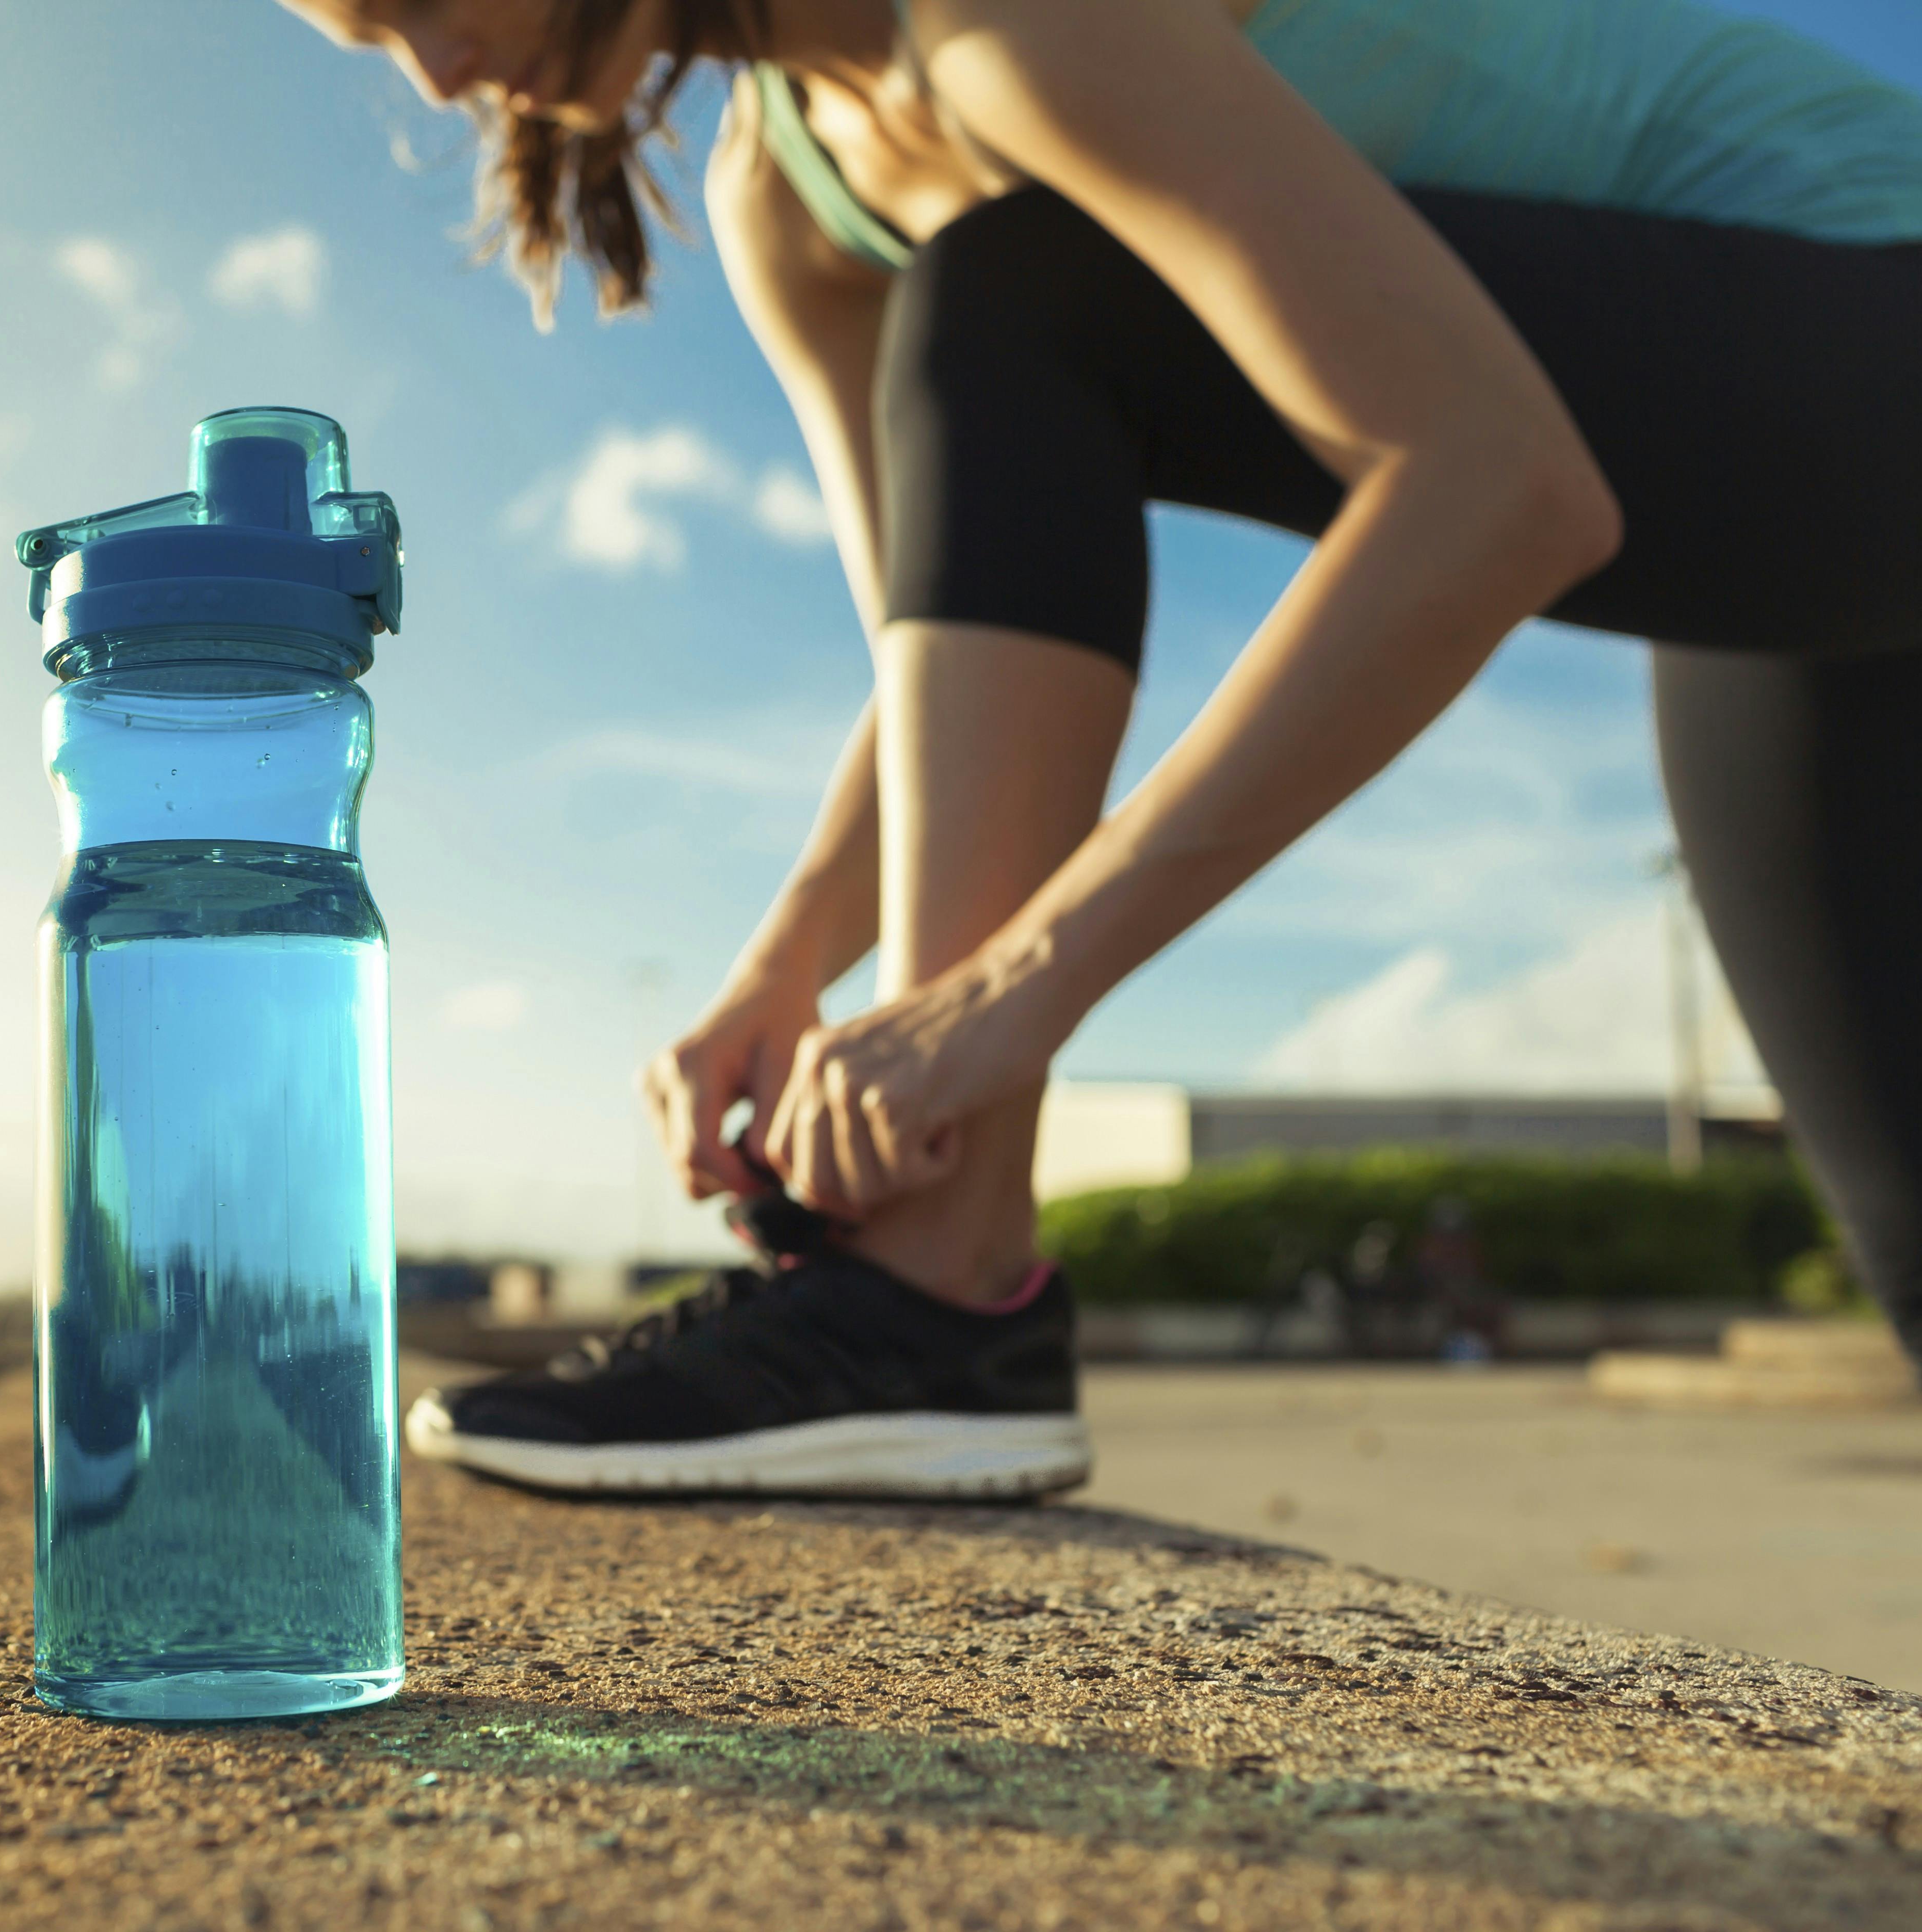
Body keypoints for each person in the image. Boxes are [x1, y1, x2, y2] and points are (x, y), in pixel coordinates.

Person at [276, 0, 1922, 1495]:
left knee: (1007, 283)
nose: (435, 73)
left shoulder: (1004, 21)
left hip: (1872, 307)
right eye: (373, 45)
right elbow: (960, 670)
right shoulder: (787, 202)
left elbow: (1496, 488)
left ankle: (935, 1295)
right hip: (1782, 561)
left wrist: (1005, 994)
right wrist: (779, 978)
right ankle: (929, 1298)